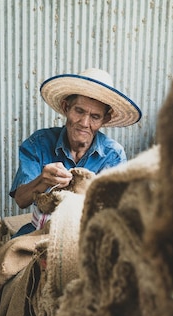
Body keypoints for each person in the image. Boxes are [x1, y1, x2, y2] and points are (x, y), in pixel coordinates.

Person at [9, 68, 142, 236]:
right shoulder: (39, 143)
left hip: (87, 237)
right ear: (66, 107)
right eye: (79, 111)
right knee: (11, 258)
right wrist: (43, 180)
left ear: (105, 119)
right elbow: (21, 200)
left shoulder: (113, 155)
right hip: (39, 232)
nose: (84, 123)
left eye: (95, 116)